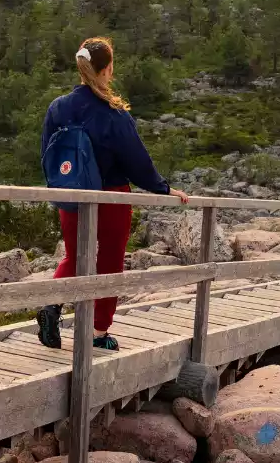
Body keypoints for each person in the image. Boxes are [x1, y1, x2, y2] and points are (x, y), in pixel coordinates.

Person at [36, 36, 185, 350]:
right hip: (111, 196)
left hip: (73, 194)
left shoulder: (58, 107)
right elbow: (137, 163)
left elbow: (47, 153)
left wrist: (60, 186)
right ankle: (97, 332)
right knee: (109, 261)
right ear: (107, 70)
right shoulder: (113, 114)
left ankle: (52, 305)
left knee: (76, 257)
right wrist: (164, 188)